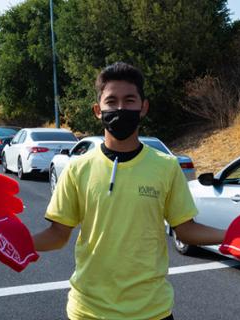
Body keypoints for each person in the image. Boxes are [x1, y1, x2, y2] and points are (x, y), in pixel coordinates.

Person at [33, 62, 225, 320]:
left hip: (152, 311)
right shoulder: (77, 168)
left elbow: (186, 230)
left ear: (143, 107)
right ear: (97, 110)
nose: (120, 108)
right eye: (111, 101)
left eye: (129, 100)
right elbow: (57, 235)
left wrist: (233, 235)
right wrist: (16, 241)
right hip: (89, 311)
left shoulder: (166, 167)